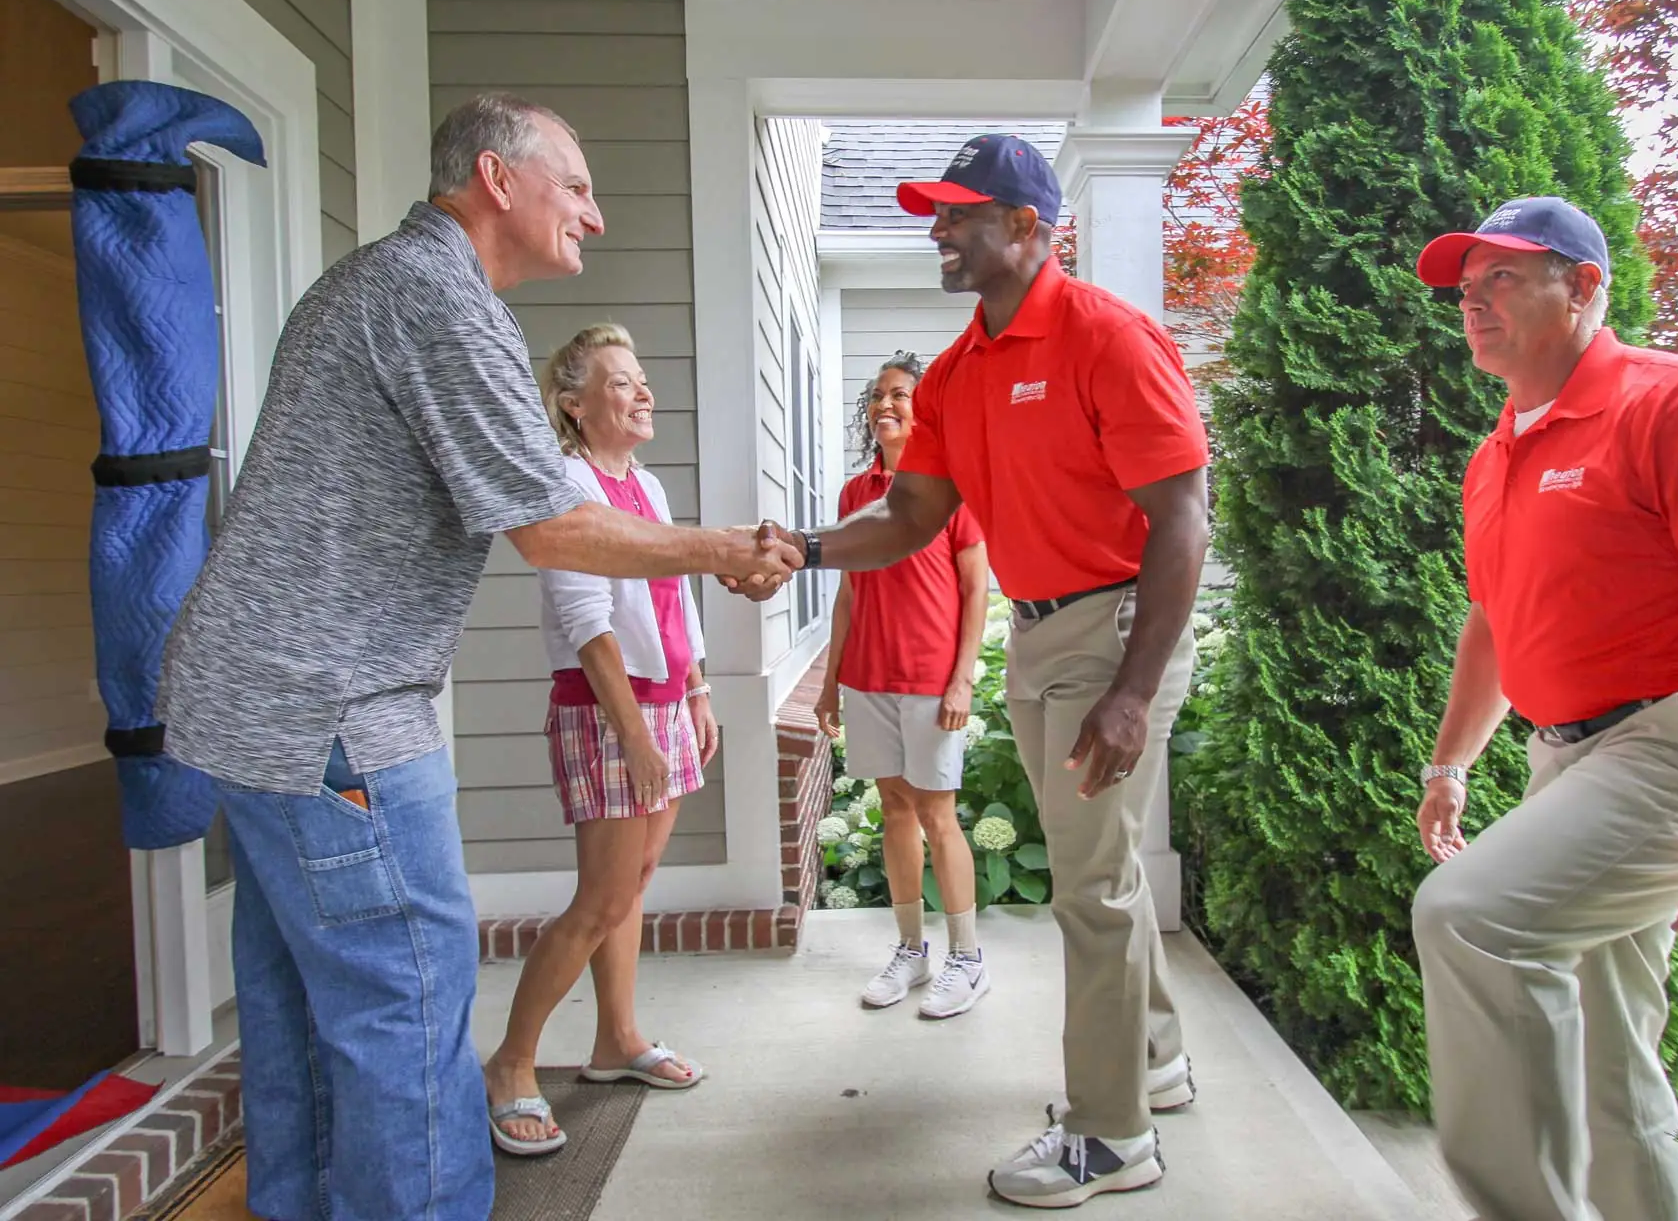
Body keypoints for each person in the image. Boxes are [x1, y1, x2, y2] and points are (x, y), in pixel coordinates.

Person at [157, 93, 798, 1221]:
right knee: (407, 991)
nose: (595, 216)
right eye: (577, 187)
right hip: (334, 710)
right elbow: (553, 527)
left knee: (301, 1000)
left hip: (255, 701)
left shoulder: (376, 283)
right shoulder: (439, 298)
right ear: (497, 179)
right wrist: (725, 548)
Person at [735, 135, 1212, 1209]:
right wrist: (804, 547)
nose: (939, 230)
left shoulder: (1106, 337)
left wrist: (1134, 690)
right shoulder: (958, 372)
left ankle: (1111, 1135)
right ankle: (1155, 1062)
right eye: (935, 214)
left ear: (1028, 225)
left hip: (1116, 632)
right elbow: (910, 514)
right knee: (1105, 871)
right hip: (1040, 637)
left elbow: (1184, 518)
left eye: (959, 213)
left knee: (1090, 887)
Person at [1407, 196, 1678, 1221]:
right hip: (1570, 758)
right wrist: (1449, 765)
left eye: (1505, 277)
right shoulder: (1497, 453)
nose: (1475, 302)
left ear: (1585, 285)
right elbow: (1494, 621)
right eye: (1467, 287)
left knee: (1470, 919)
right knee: (1608, 1054)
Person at [482, 323, 719, 1155]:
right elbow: (586, 623)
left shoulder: (645, 486)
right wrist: (634, 734)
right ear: (575, 406)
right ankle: (511, 1063)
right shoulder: (567, 485)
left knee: (634, 885)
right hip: (608, 710)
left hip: (665, 704)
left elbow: (675, 591)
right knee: (599, 902)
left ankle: (616, 1041)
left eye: (642, 376)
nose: (643, 390)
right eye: (622, 381)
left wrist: (696, 690)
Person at [816, 350, 992, 1019]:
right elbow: (848, 594)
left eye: (900, 395)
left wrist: (962, 680)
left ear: (925, 412)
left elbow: (976, 589)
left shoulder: (952, 487)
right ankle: (912, 951)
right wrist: (830, 683)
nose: (885, 404)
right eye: (878, 395)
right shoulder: (855, 495)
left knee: (937, 814)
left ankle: (967, 959)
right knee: (894, 808)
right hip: (868, 677)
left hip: (929, 678)